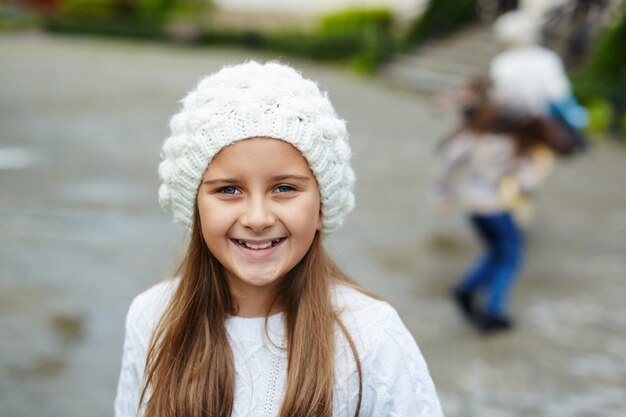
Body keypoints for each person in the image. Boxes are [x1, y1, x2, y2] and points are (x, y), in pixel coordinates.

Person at [114, 61, 444, 417]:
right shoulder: (152, 318)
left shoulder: (372, 337)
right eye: (229, 190)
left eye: (284, 188)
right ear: (194, 207)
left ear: (322, 205)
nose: (257, 219)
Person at [433, 92, 575, 334]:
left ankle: (466, 288)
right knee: (511, 257)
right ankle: (493, 308)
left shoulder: (474, 139)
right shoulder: (514, 146)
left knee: (496, 251)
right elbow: (527, 184)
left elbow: (448, 162)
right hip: (497, 207)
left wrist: (443, 192)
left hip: (474, 206)